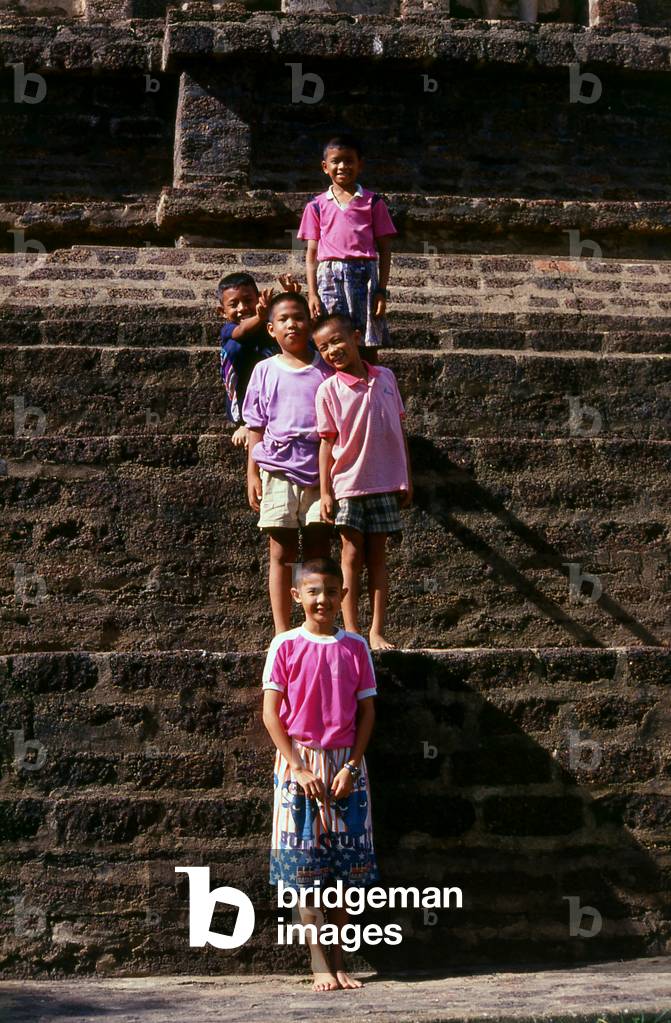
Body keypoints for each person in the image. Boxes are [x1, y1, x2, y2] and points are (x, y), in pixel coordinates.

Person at [262, 557, 379, 992]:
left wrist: (351, 766)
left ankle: (340, 957)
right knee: (305, 870)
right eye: (313, 591)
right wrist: (297, 766)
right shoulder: (285, 646)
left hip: (346, 766)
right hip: (299, 764)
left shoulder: (356, 647)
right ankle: (317, 960)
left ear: (343, 595)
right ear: (297, 596)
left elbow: (367, 713)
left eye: (331, 591)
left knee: (346, 872)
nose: (322, 600)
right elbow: (271, 714)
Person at [314, 313, 412, 650]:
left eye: (337, 341)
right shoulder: (328, 389)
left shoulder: (385, 377)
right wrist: (326, 492)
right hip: (348, 484)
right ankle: (353, 629)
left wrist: (405, 478)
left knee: (378, 558)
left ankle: (377, 630)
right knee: (351, 555)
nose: (332, 351)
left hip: (385, 482)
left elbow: (399, 430)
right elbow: (326, 443)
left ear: (356, 337)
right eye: (323, 348)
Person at [243, 292, 333, 633]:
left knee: (318, 552)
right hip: (278, 470)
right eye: (283, 319)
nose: (291, 324)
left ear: (310, 323)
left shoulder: (326, 369)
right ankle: (282, 631)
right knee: (281, 553)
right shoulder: (264, 370)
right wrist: (252, 474)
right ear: (271, 329)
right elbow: (255, 426)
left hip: (320, 473)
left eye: (298, 317)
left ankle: (317, 625)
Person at [297, 134, 397, 365]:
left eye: (349, 161)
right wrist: (312, 294)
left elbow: (385, 249)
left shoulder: (373, 202)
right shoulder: (316, 206)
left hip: (365, 277)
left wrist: (381, 290)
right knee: (332, 337)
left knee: (367, 340)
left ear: (360, 165)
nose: (343, 166)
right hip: (329, 279)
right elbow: (311, 254)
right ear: (325, 167)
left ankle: (369, 383)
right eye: (336, 161)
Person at [217, 271, 301, 448]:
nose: (242, 308)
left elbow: (290, 317)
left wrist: (291, 295)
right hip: (243, 388)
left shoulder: (268, 323)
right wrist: (259, 317)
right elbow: (242, 331)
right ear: (222, 312)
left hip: (273, 384)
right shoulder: (229, 329)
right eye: (234, 304)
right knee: (234, 347)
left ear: (259, 299)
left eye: (248, 300)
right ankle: (243, 421)